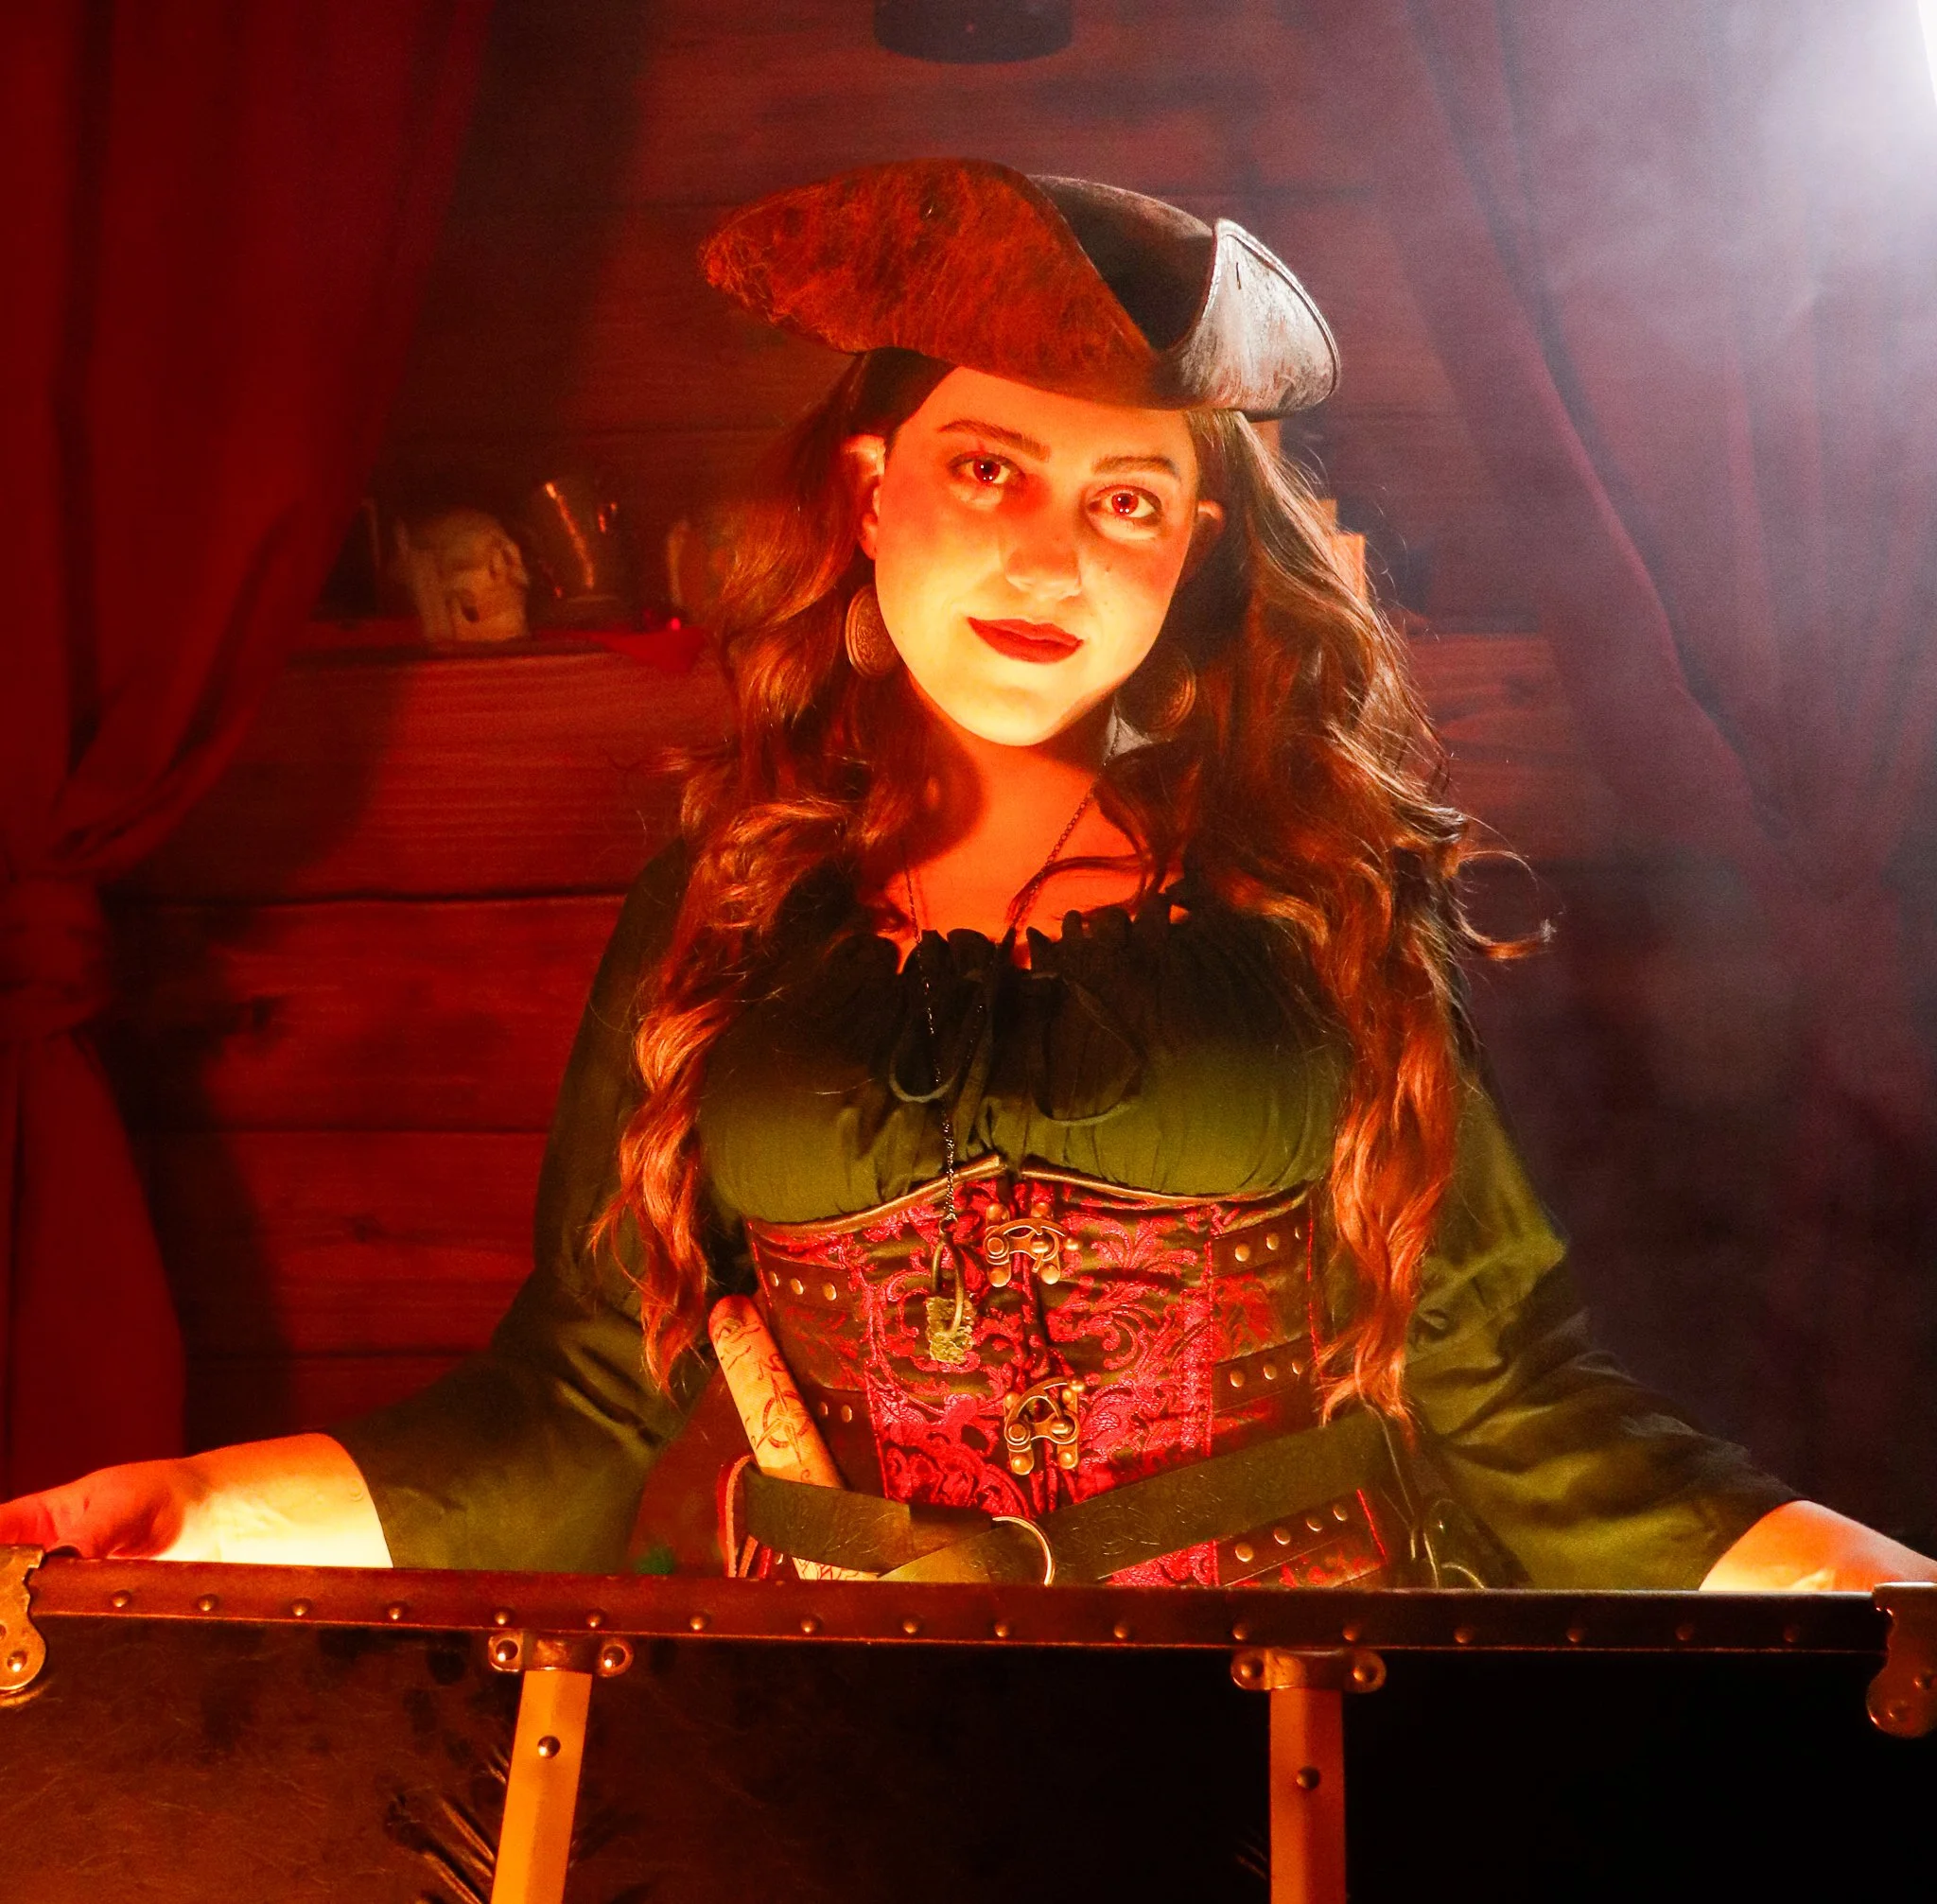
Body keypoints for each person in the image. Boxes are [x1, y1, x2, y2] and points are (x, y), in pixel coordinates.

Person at [3, 160, 1928, 1593]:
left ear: (1191, 550)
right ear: (870, 490)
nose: (1050, 559)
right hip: (847, 1732)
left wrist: (1876, 1585)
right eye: (989, 468)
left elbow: (1511, 1396)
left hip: (1286, 1714)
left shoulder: (1321, 897)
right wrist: (194, 1505)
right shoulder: (723, 916)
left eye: (1125, 501)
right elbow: (572, 1402)